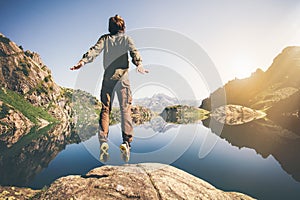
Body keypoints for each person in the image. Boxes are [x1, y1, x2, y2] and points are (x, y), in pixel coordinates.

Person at [71, 15, 148, 162]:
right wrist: (139, 64)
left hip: (108, 80)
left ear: (110, 28)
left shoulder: (105, 39)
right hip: (123, 79)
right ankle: (126, 142)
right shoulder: (126, 39)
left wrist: (83, 61)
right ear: (123, 27)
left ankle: (103, 142)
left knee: (105, 109)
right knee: (125, 109)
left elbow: (94, 50)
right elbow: (134, 52)